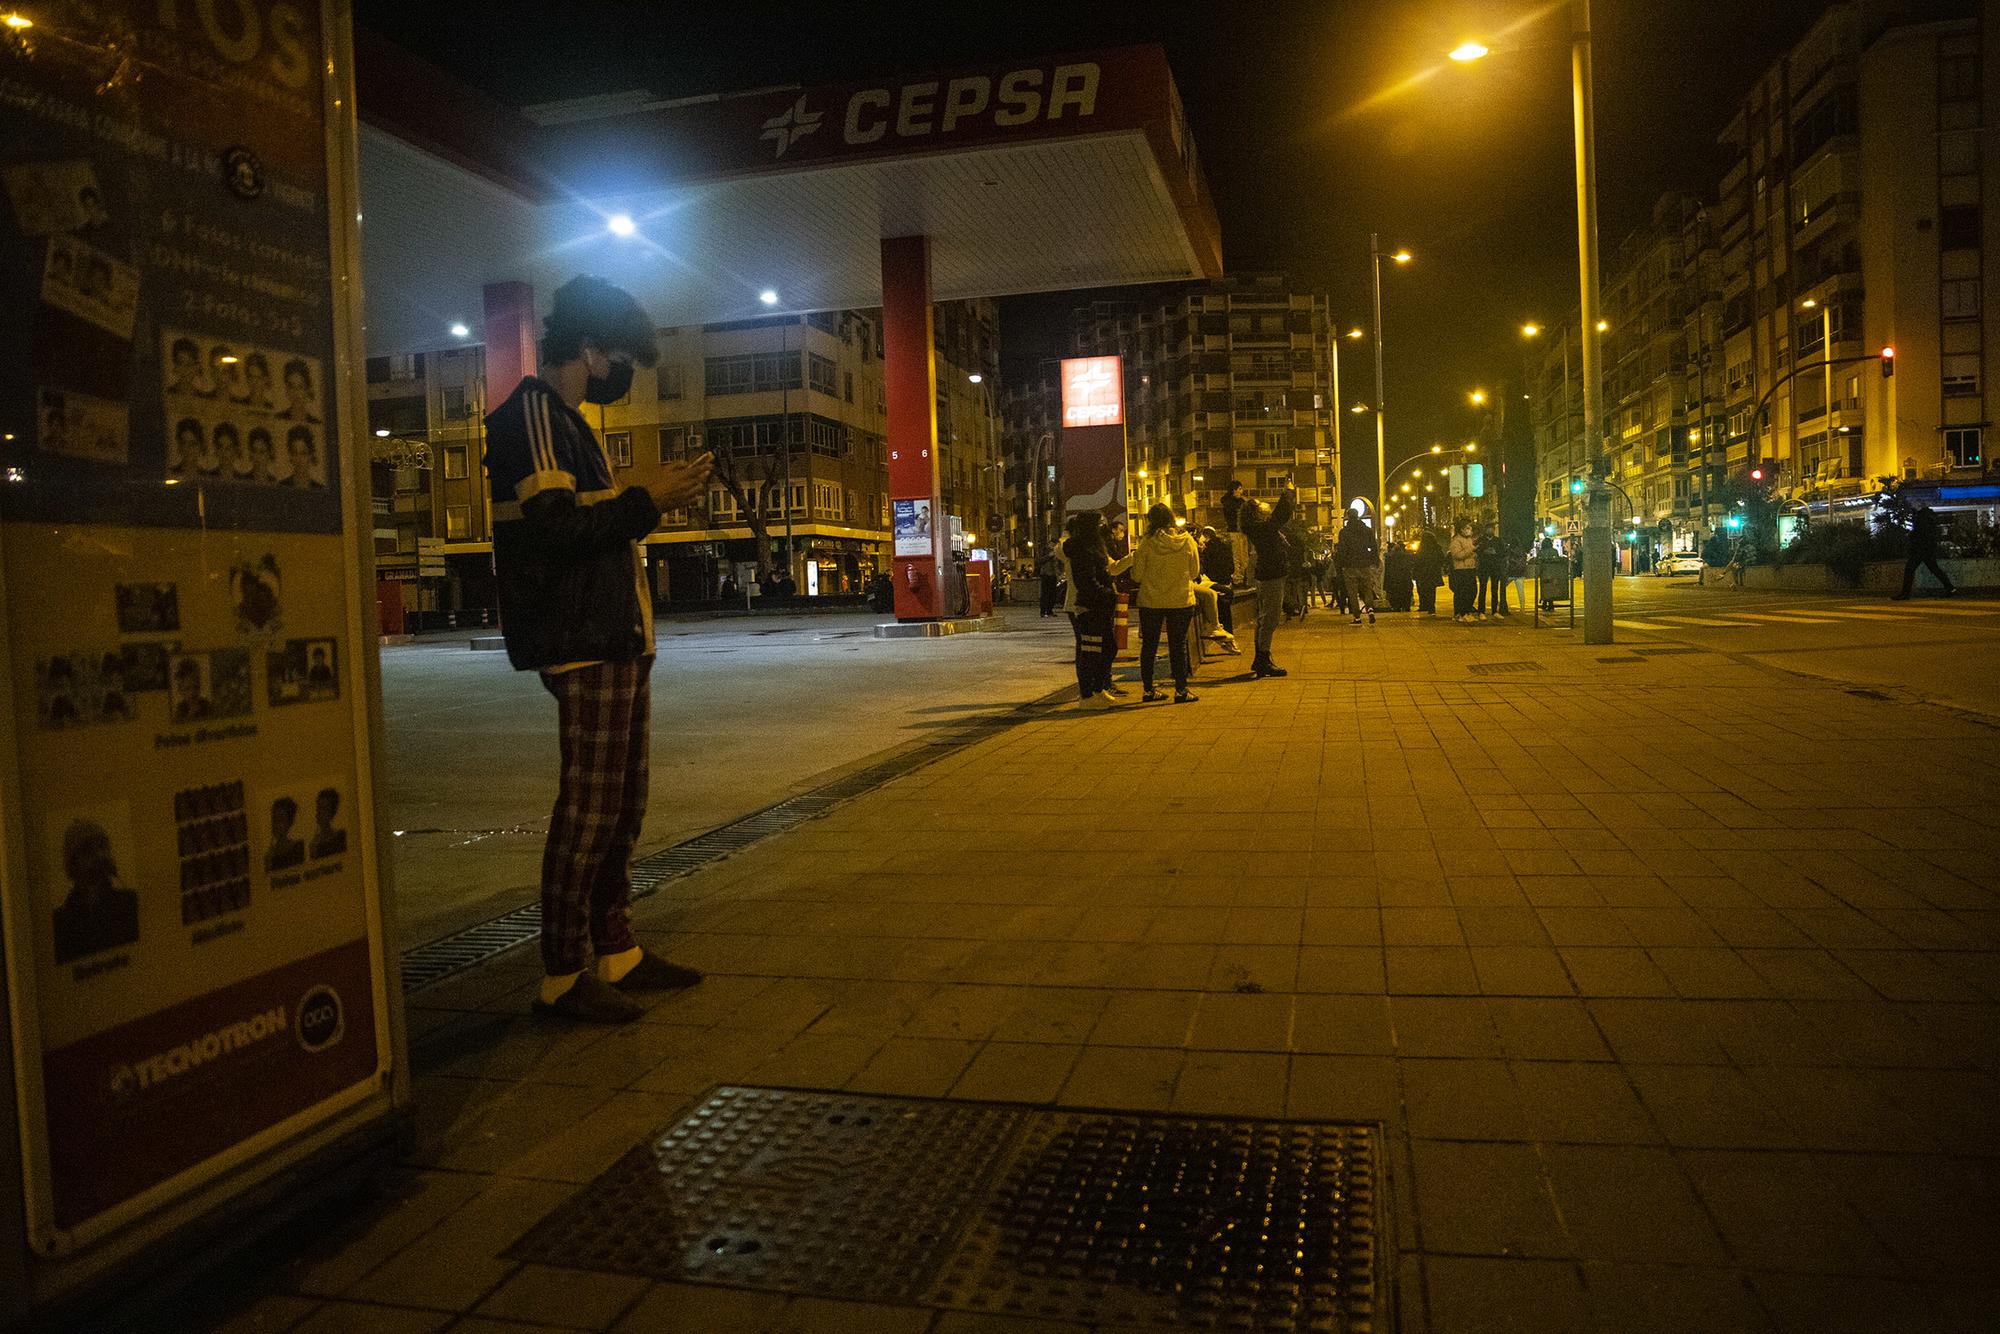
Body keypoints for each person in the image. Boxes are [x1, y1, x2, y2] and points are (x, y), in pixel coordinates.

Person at [485, 274, 715, 1024]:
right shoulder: (533, 415)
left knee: (622, 805)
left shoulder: (570, 423)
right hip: (581, 639)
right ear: (587, 348)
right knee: (588, 809)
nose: (619, 377)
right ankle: (560, 975)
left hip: (614, 637)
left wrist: (640, 497)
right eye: (617, 359)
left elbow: (587, 519)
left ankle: (615, 950)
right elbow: (556, 530)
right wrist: (650, 501)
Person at [1131, 504, 1202, 704]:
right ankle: (1181, 690)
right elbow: (1195, 572)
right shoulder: (1187, 541)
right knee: (1178, 646)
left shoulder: (1146, 543)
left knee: (1149, 646)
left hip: (1151, 601)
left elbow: (1136, 576)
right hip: (1181, 600)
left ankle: (1148, 690)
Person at [1062, 511, 1129, 708]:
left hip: (1100, 604)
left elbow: (1108, 569)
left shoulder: (1095, 546)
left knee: (1108, 648)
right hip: (1089, 606)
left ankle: (1098, 688)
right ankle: (1087, 695)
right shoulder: (1081, 548)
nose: (1104, 527)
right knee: (1091, 651)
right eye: (1100, 523)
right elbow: (1086, 580)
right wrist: (1106, 593)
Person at [51, 820, 140, 964]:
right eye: (87, 850)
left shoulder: (131, 902)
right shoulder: (60, 921)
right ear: (73, 863)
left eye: (102, 846)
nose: (99, 855)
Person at [1238, 481, 1297, 677]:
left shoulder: (1260, 528)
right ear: (1256, 512)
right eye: (1261, 503)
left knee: (1265, 618)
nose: (1265, 504)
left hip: (1269, 574)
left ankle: (1261, 658)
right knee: (1270, 618)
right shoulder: (1262, 528)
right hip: (1271, 575)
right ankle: (1262, 659)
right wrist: (1287, 492)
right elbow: (1281, 515)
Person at [1894, 504, 1957, 600]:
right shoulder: (1928, 516)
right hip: (1927, 548)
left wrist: (1911, 536)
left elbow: (1921, 533)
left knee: (1910, 569)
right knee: (1934, 569)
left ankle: (1905, 593)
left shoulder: (1921, 518)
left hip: (1920, 548)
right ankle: (1950, 588)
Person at [1335, 509, 1379, 625]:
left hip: (1350, 565)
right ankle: (1369, 609)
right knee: (1367, 589)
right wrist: (1373, 560)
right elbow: (1373, 546)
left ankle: (1357, 618)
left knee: (1352, 592)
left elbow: (1341, 550)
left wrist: (1341, 564)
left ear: (1348, 517)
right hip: (1364, 564)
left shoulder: (1344, 532)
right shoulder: (1367, 530)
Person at [1448, 519, 1479, 621]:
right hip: (1461, 569)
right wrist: (1472, 550)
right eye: (1467, 528)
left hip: (1470, 568)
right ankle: (1460, 613)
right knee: (1462, 592)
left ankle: (1467, 611)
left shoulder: (1469, 540)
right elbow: (1457, 555)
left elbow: (1472, 553)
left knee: (1473, 591)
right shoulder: (1456, 541)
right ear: (1461, 529)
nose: (1469, 530)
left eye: (1470, 528)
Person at [1475, 521, 1507, 618]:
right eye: (1489, 529)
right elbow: (1476, 551)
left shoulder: (1498, 541)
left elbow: (1503, 552)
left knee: (1494, 589)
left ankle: (1494, 611)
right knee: (1483, 589)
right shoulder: (1481, 540)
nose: (1490, 530)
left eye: (1492, 529)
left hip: (1495, 567)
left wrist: (1495, 552)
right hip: (1483, 567)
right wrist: (1484, 552)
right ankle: (1481, 611)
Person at [266, 797, 304, 872]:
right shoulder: (270, 854)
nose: (276, 824)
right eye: (274, 819)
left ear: (290, 822)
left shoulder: (298, 848)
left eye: (281, 819)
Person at [309, 787, 348, 860]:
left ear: (332, 812)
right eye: (319, 808)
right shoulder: (314, 843)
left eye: (325, 809)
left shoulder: (341, 837)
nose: (320, 813)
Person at [1413, 530, 1445, 616]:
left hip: (1423, 572)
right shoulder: (1437, 548)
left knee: (1423, 589)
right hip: (1433, 572)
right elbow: (1441, 559)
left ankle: (1424, 605)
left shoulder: (1422, 548)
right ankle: (1430, 607)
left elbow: (1418, 560)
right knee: (1431, 590)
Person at [1382, 539, 1414, 613]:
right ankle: (1406, 606)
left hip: (1393, 580)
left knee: (1395, 594)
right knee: (1406, 593)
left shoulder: (1389, 558)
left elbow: (1387, 571)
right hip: (1405, 579)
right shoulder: (1406, 557)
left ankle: (1396, 606)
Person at [1038, 549, 1064, 616]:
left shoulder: (1057, 552)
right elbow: (1040, 561)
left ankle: (1049, 610)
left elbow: (1060, 563)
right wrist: (1049, 556)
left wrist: (1060, 573)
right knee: (1045, 594)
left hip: (1053, 575)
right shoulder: (1045, 551)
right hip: (1046, 575)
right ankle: (1043, 611)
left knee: (1052, 594)